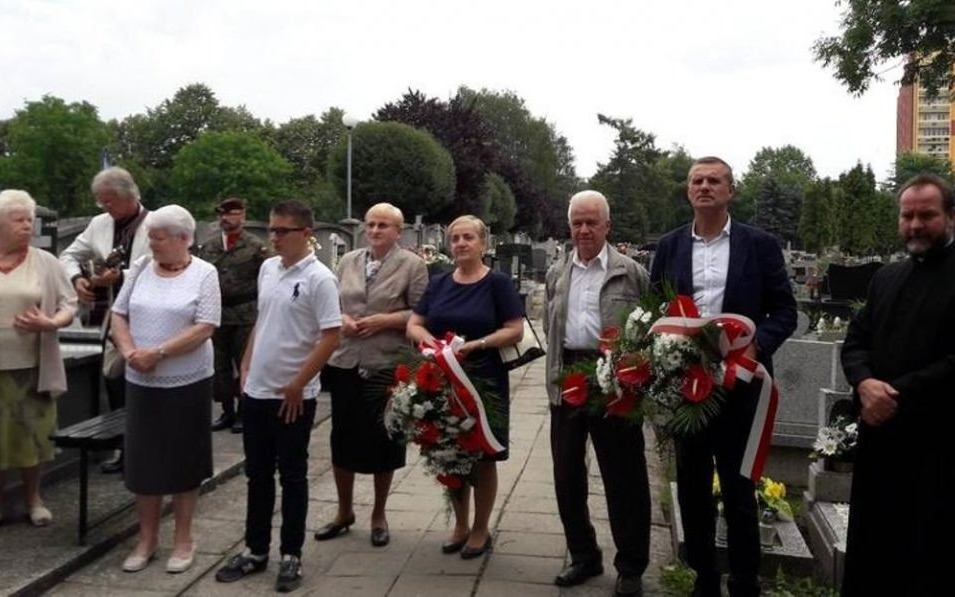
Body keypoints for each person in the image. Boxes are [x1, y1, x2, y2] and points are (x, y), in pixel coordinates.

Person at [649, 157, 796, 597]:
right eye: (698, 181)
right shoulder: (670, 246)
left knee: (739, 485)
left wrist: (754, 347)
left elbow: (785, 311)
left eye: (715, 181)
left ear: (731, 191)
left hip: (741, 385)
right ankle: (704, 578)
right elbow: (654, 310)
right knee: (692, 487)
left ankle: (746, 580)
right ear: (688, 191)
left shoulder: (760, 245)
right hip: (687, 386)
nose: (705, 187)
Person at [215, 200, 341, 593]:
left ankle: (291, 554)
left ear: (306, 233)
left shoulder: (320, 279)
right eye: (271, 229)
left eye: (282, 231)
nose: (274, 237)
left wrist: (298, 383)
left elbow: (331, 335)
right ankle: (255, 549)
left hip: (293, 394)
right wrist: (247, 364)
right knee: (257, 474)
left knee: (292, 474)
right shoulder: (268, 268)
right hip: (258, 389)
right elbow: (263, 321)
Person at [840, 174, 955, 597]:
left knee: (926, 558)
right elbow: (856, 341)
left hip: (938, 447)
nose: (915, 225)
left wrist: (894, 394)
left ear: (951, 216)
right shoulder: (886, 278)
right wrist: (865, 382)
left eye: (927, 215)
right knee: (874, 553)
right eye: (907, 215)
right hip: (881, 441)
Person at [543, 190, 651, 597]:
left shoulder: (630, 272)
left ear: (607, 225)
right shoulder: (557, 272)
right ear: (569, 226)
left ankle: (631, 566)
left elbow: (647, 326)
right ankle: (584, 555)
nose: (584, 230)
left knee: (623, 475)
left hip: (615, 379)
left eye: (592, 222)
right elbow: (550, 322)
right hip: (569, 373)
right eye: (577, 223)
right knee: (566, 474)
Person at [109, 205, 219, 573]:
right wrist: (130, 353)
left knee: (183, 460)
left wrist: (158, 352)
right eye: (150, 237)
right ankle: (146, 539)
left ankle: (183, 539)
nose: (152, 243)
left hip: (187, 382)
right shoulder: (139, 268)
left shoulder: (205, 273)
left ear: (183, 239)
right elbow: (119, 314)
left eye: (158, 238)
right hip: (141, 382)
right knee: (145, 462)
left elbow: (206, 325)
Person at [406, 215, 524, 559]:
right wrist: (427, 340)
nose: (460, 243)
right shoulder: (439, 282)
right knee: (450, 452)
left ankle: (480, 527)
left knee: (484, 455)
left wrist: (481, 343)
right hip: (442, 381)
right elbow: (415, 323)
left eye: (468, 237)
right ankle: (460, 523)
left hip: (483, 382)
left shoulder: (497, 284)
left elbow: (514, 328)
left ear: (483, 244)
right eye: (454, 237)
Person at [314, 203, 427, 547]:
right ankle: (343, 510)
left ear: (398, 230)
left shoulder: (413, 265)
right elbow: (332, 300)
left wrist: (385, 320)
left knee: (384, 440)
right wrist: (342, 319)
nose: (375, 231)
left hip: (385, 364)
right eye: (371, 225)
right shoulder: (349, 261)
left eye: (383, 226)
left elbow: (422, 313)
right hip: (346, 360)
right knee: (342, 438)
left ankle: (379, 513)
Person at [59, 166, 150, 474]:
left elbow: (162, 265)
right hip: (113, 316)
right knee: (113, 379)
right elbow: (69, 255)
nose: (105, 208)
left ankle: (146, 448)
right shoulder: (99, 224)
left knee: (144, 383)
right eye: (101, 202)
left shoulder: (154, 225)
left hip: (149, 316)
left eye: (108, 201)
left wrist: (119, 275)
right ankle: (123, 447)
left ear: (129, 196)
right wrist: (77, 280)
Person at [0, 190, 77, 527]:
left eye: (30, 220)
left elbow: (69, 304)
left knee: (32, 435)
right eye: (19, 220)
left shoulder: (45, 262)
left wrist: (50, 323)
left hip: (32, 365)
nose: (27, 226)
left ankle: (34, 499)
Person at [196, 197, 267, 434]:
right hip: (217, 313)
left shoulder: (256, 247)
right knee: (220, 365)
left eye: (233, 213)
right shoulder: (210, 246)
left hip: (246, 314)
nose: (226, 218)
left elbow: (266, 279)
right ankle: (226, 409)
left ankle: (243, 411)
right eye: (222, 214)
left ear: (243, 216)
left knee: (245, 363)